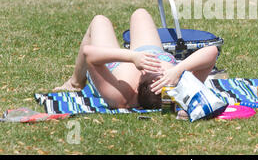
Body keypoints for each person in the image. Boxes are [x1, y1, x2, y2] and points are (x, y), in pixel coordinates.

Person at [54, 8, 218, 110]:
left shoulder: (120, 97)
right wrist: (177, 70)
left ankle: (75, 83)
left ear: (139, 85)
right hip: (151, 51)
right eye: (163, 75)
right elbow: (211, 51)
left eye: (152, 74)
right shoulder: (178, 88)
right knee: (140, 13)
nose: (158, 69)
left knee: (99, 20)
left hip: (116, 62)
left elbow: (89, 53)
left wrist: (132, 57)